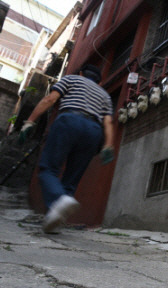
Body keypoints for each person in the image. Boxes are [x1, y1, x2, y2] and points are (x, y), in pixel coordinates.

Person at [18, 64, 115, 233]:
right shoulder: (104, 95)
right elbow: (108, 122)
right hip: (94, 131)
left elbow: (50, 99)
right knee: (71, 179)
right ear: (99, 82)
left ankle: (58, 200)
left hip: (69, 121)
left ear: (81, 73)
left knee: (48, 169)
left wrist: (29, 122)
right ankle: (54, 220)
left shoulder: (71, 79)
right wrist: (108, 145)